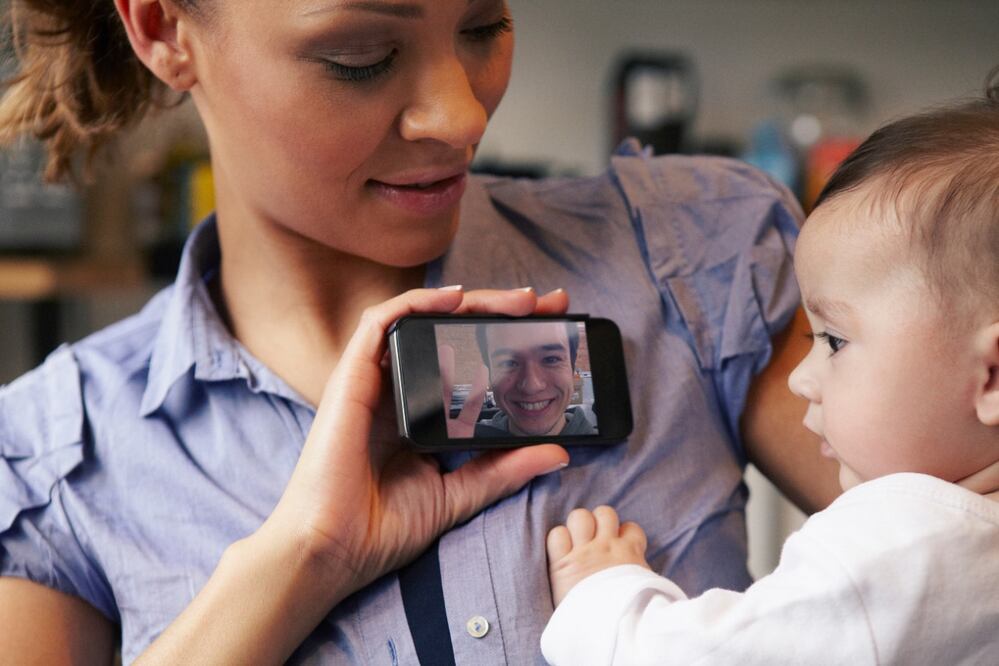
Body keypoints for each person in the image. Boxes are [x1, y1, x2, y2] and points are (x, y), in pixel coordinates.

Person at [0, 1, 839, 664]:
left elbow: (957, 573)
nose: (460, 114)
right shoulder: (51, 459)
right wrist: (303, 557)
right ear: (162, 28)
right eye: (360, 56)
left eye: (483, 26)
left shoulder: (694, 255)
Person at [541, 84, 999, 665]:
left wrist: (602, 592)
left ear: (992, 377)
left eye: (834, 340)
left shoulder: (894, 546)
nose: (800, 379)